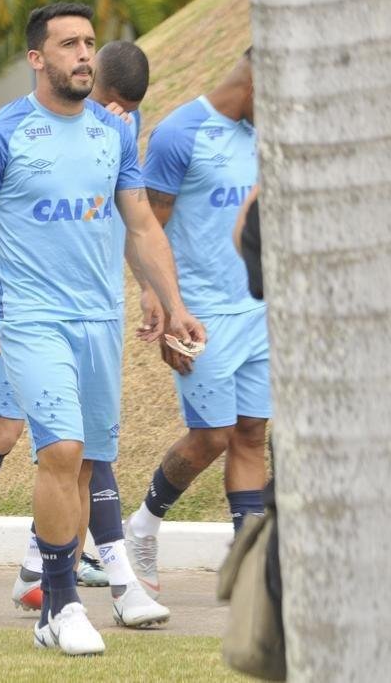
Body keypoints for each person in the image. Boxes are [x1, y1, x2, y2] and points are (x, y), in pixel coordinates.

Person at [0, 3, 204, 656]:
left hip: (100, 320)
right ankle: (62, 603)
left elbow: (140, 223)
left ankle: (53, 605)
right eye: (68, 44)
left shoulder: (113, 137)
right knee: (59, 449)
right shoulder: (1, 135)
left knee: (82, 465)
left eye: (89, 43)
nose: (84, 54)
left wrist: (172, 299)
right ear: (36, 59)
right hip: (30, 320)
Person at [123, 49, 268, 598]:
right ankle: (144, 524)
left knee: (252, 434)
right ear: (255, 86)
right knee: (212, 437)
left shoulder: (264, 136)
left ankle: (250, 569)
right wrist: (156, 301)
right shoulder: (180, 133)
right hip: (201, 315)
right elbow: (144, 228)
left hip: (259, 311)